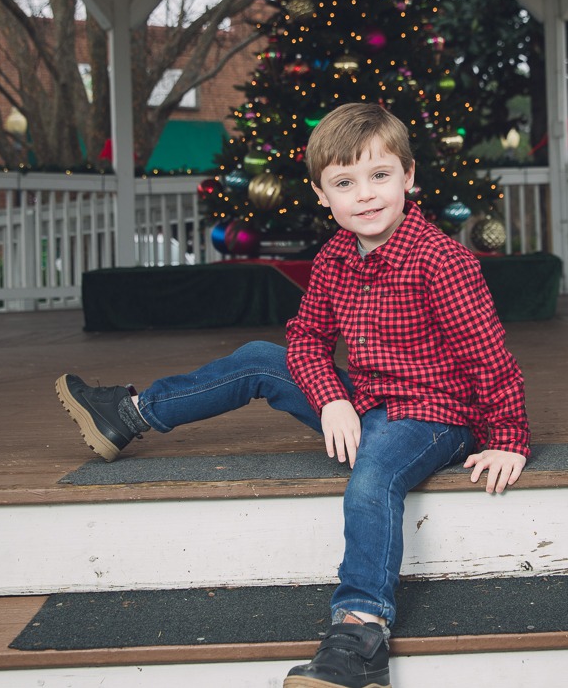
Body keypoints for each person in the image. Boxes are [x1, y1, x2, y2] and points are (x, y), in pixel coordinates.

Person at [56, 102, 530, 688]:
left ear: (409, 177)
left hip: (434, 414)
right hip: (365, 401)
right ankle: (128, 414)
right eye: (345, 182)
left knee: (374, 476)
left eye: (380, 176)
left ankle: (361, 636)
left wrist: (508, 439)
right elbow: (305, 338)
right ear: (321, 194)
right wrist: (331, 397)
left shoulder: (442, 260)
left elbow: (489, 356)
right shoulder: (335, 257)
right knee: (261, 359)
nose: (365, 194)